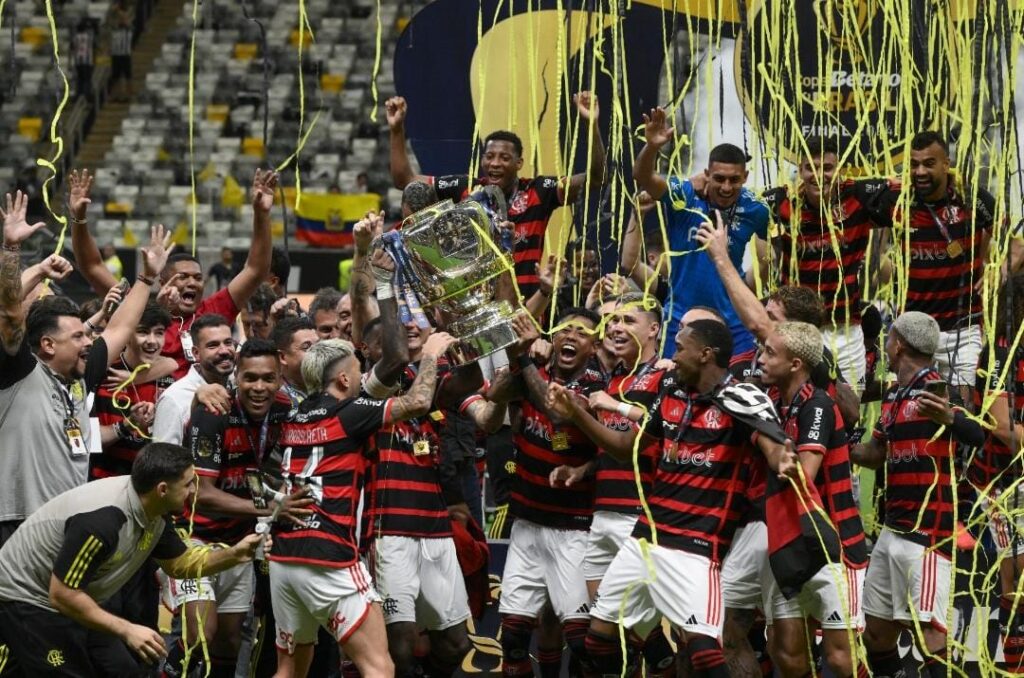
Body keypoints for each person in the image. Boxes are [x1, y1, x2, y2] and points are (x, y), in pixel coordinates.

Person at [545, 318, 797, 677]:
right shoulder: (671, 395)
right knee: (597, 642)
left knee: (707, 656)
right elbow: (624, 447)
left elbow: (772, 445)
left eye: (680, 349)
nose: (673, 357)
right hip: (645, 540)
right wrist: (577, 415)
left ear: (706, 354)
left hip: (696, 548)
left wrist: (781, 460)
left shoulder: (742, 398)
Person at [0, 442, 268, 676]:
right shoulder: (103, 522)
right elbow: (62, 595)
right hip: (27, 597)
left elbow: (179, 564)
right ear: (163, 489)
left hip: (76, 599)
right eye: (188, 484)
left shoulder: (154, 509)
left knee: (125, 671)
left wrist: (234, 555)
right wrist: (127, 629)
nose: (193, 491)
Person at [0, 199, 173, 544]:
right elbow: (8, 313)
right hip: (18, 521)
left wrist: (147, 278)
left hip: (70, 521)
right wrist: (11, 248)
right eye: (78, 336)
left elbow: (121, 329)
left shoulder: (80, 375)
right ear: (48, 344)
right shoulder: (17, 370)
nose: (88, 341)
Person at [162, 340, 310, 678]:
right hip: (192, 539)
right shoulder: (212, 413)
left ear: (281, 377)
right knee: (200, 636)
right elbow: (201, 494)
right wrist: (271, 509)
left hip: (239, 542)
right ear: (236, 378)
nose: (259, 388)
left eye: (268, 379)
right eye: (250, 378)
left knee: (229, 643)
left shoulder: (286, 409)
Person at [850, 311, 985, 678]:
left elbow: (979, 435)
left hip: (927, 535)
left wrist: (952, 419)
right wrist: (838, 445)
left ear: (898, 345)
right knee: (876, 633)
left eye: (888, 339)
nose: (885, 345)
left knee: (930, 639)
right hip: (893, 528)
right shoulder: (895, 395)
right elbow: (875, 455)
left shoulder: (940, 389)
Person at [386, 91, 605, 300]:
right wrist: (396, 130)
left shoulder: (540, 190)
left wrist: (593, 125)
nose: (495, 163)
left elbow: (596, 179)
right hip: (477, 308)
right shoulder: (466, 189)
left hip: (527, 308)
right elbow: (404, 180)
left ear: (519, 163)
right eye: (489, 156)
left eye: (504, 158)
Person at [486, 308, 607, 676]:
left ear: (593, 346)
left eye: (581, 333)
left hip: (573, 528)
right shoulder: (531, 372)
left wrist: (523, 359)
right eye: (564, 330)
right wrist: (515, 352)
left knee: (580, 642)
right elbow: (495, 393)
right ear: (553, 338)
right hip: (527, 524)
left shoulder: (595, 385)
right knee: (513, 640)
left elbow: (557, 412)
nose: (571, 337)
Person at [69, 168, 277, 378]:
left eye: (197, 278)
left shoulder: (215, 309)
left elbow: (255, 270)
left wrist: (261, 214)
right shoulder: (139, 309)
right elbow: (93, 267)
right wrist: (79, 218)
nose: (192, 283)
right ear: (163, 281)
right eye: (182, 277)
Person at [755, 321, 868, 678]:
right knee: (785, 652)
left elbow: (803, 475)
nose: (760, 359)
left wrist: (761, 438)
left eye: (770, 353)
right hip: (787, 541)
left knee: (840, 659)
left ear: (796, 365)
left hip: (833, 544)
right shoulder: (772, 403)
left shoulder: (818, 405)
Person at [633, 108, 769, 361]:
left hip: (733, 320)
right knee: (673, 385)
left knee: (735, 389)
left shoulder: (757, 209)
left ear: (745, 177)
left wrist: (755, 282)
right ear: (706, 174)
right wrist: (651, 147)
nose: (726, 187)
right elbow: (642, 177)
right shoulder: (683, 195)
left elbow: (771, 257)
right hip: (681, 318)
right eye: (719, 178)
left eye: (734, 180)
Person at [868, 131, 1000, 392]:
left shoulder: (972, 198)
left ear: (946, 164)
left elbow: (1014, 241)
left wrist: (998, 269)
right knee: (911, 411)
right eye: (914, 164)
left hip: (962, 330)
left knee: (963, 408)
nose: (920, 172)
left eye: (928, 163)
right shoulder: (897, 200)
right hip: (912, 329)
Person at [760, 137, 891, 391]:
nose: (818, 175)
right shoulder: (781, 203)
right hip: (794, 330)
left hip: (845, 330)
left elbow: (905, 191)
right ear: (800, 169)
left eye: (826, 168)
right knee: (790, 402)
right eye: (811, 167)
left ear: (839, 169)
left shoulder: (858, 198)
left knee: (851, 409)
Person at [971, 273, 1024, 673]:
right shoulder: (999, 354)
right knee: (1017, 578)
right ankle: (1014, 663)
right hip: (1005, 482)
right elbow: (1004, 429)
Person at [90, 301, 174, 480]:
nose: (152, 341)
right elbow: (89, 441)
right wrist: (128, 424)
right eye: (143, 332)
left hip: (151, 488)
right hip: (105, 484)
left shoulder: (169, 380)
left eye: (159, 333)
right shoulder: (105, 374)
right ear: (127, 335)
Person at [151, 314, 236, 445]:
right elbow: (162, 460)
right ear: (196, 353)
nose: (224, 350)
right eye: (213, 345)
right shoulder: (175, 399)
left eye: (228, 342)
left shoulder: (241, 387)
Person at [272, 316, 319, 406]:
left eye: (319, 345)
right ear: (282, 357)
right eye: (306, 347)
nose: (317, 352)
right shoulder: (275, 401)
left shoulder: (330, 386)